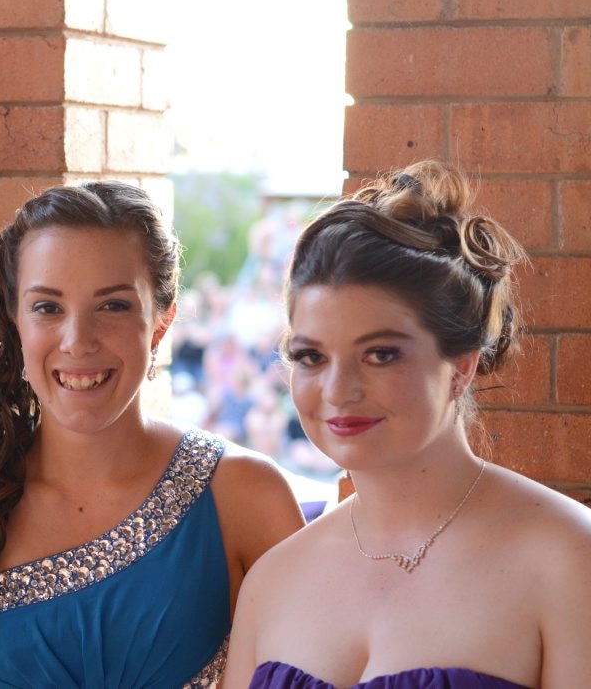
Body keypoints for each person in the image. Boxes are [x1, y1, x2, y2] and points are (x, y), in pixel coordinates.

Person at [0, 181, 306, 687]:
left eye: (113, 306)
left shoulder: (245, 494)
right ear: (15, 322)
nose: (78, 341)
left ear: (161, 324)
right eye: (47, 308)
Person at [224, 160, 591, 689]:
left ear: (460, 366)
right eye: (311, 357)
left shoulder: (565, 560)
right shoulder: (273, 580)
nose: (336, 390)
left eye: (379, 355)